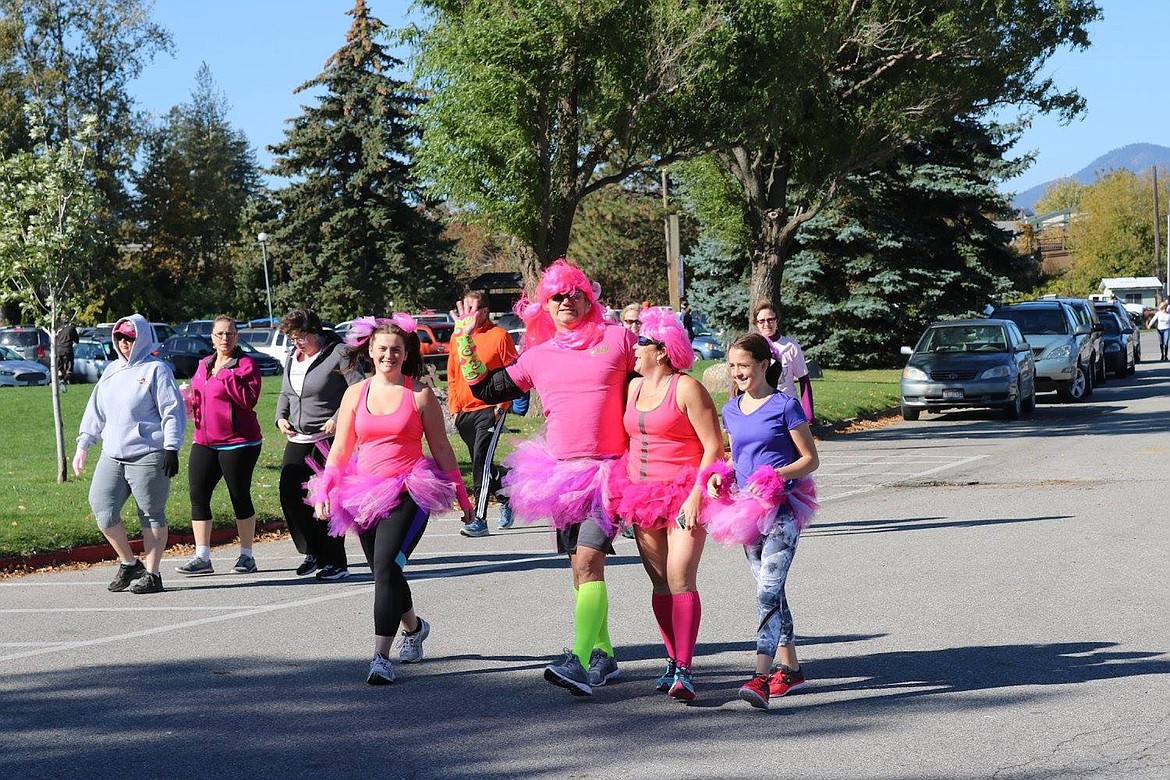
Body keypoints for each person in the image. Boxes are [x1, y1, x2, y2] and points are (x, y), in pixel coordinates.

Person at [455, 258, 637, 696]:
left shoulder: (618, 339)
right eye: (554, 297)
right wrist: (464, 344)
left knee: (590, 560)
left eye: (572, 293)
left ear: (587, 298)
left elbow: (660, 375)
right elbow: (486, 389)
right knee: (579, 569)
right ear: (544, 306)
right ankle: (603, 654)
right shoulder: (537, 355)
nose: (564, 302)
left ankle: (577, 659)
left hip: (609, 473)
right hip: (560, 476)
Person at [307, 315, 472, 685]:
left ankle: (380, 657)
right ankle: (414, 628)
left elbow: (441, 447)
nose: (389, 355)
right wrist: (326, 488)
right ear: (370, 351)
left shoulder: (419, 394)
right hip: (363, 493)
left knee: (385, 566)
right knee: (387, 571)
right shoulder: (355, 393)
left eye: (396, 350)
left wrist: (462, 495)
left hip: (410, 489)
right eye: (382, 349)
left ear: (405, 353)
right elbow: (341, 448)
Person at [608, 307, 723, 701]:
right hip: (641, 495)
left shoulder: (686, 388)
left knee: (679, 577)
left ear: (661, 350)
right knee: (659, 582)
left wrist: (695, 495)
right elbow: (626, 443)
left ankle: (687, 669)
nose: (634, 348)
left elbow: (714, 446)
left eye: (640, 342)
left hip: (683, 495)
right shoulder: (633, 388)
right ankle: (672, 661)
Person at [703, 333, 819, 711]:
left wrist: (778, 475)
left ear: (764, 365)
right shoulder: (732, 409)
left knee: (767, 591)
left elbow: (809, 460)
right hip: (745, 510)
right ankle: (793, 668)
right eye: (732, 366)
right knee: (773, 591)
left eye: (744, 366)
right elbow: (740, 457)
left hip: (785, 507)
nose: (737, 373)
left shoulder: (785, 406)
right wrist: (723, 474)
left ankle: (761, 676)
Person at [72, 316, 185, 594]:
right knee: (102, 507)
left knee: (151, 513)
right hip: (113, 454)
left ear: (142, 338)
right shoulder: (111, 371)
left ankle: (152, 573)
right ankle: (128, 562)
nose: (124, 343)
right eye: (120, 337)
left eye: (130, 338)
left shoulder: (156, 369)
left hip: (148, 453)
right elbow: (95, 411)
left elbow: (172, 411)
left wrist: (171, 448)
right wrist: (83, 445)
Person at [174, 316, 264, 576]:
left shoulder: (246, 365)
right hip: (204, 441)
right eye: (220, 334)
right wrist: (189, 402)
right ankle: (202, 557)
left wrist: (227, 377)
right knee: (198, 495)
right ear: (212, 338)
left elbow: (249, 400)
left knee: (239, 495)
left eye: (230, 334)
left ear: (237, 337)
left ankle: (247, 556)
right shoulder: (204, 364)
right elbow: (199, 395)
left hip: (239, 442)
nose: (225, 339)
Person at [276, 308, 361, 580]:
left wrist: (338, 417)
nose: (297, 342)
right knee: (289, 495)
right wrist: (280, 417)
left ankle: (336, 561)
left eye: (302, 336)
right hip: (298, 437)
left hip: (328, 439)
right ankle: (312, 550)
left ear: (316, 332)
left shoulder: (340, 353)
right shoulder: (294, 356)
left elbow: (358, 388)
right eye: (293, 337)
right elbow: (286, 391)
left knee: (326, 500)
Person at [445, 290, 519, 536]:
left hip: (491, 409)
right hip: (464, 411)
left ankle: (480, 519)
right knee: (482, 462)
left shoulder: (499, 336)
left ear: (485, 312)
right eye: (464, 308)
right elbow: (453, 374)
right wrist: (454, 408)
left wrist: (503, 405)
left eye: (472, 309)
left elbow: (514, 373)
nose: (467, 314)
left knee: (480, 460)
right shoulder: (458, 337)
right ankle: (507, 493)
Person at [752, 301, 814, 421]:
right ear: (757, 324)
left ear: (777, 320)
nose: (767, 324)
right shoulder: (753, 347)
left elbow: (804, 379)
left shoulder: (791, 346)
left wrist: (808, 413)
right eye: (762, 321)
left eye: (770, 319)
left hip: (787, 408)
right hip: (761, 408)